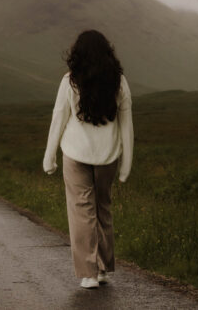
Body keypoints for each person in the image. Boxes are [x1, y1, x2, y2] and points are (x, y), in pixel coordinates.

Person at [43, 30, 134, 289]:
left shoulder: (70, 81)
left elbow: (58, 117)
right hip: (108, 157)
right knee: (103, 207)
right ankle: (103, 269)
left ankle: (89, 273)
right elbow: (127, 126)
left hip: (75, 153)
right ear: (107, 53)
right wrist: (126, 164)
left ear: (78, 54)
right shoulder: (119, 82)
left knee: (81, 210)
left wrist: (49, 156)